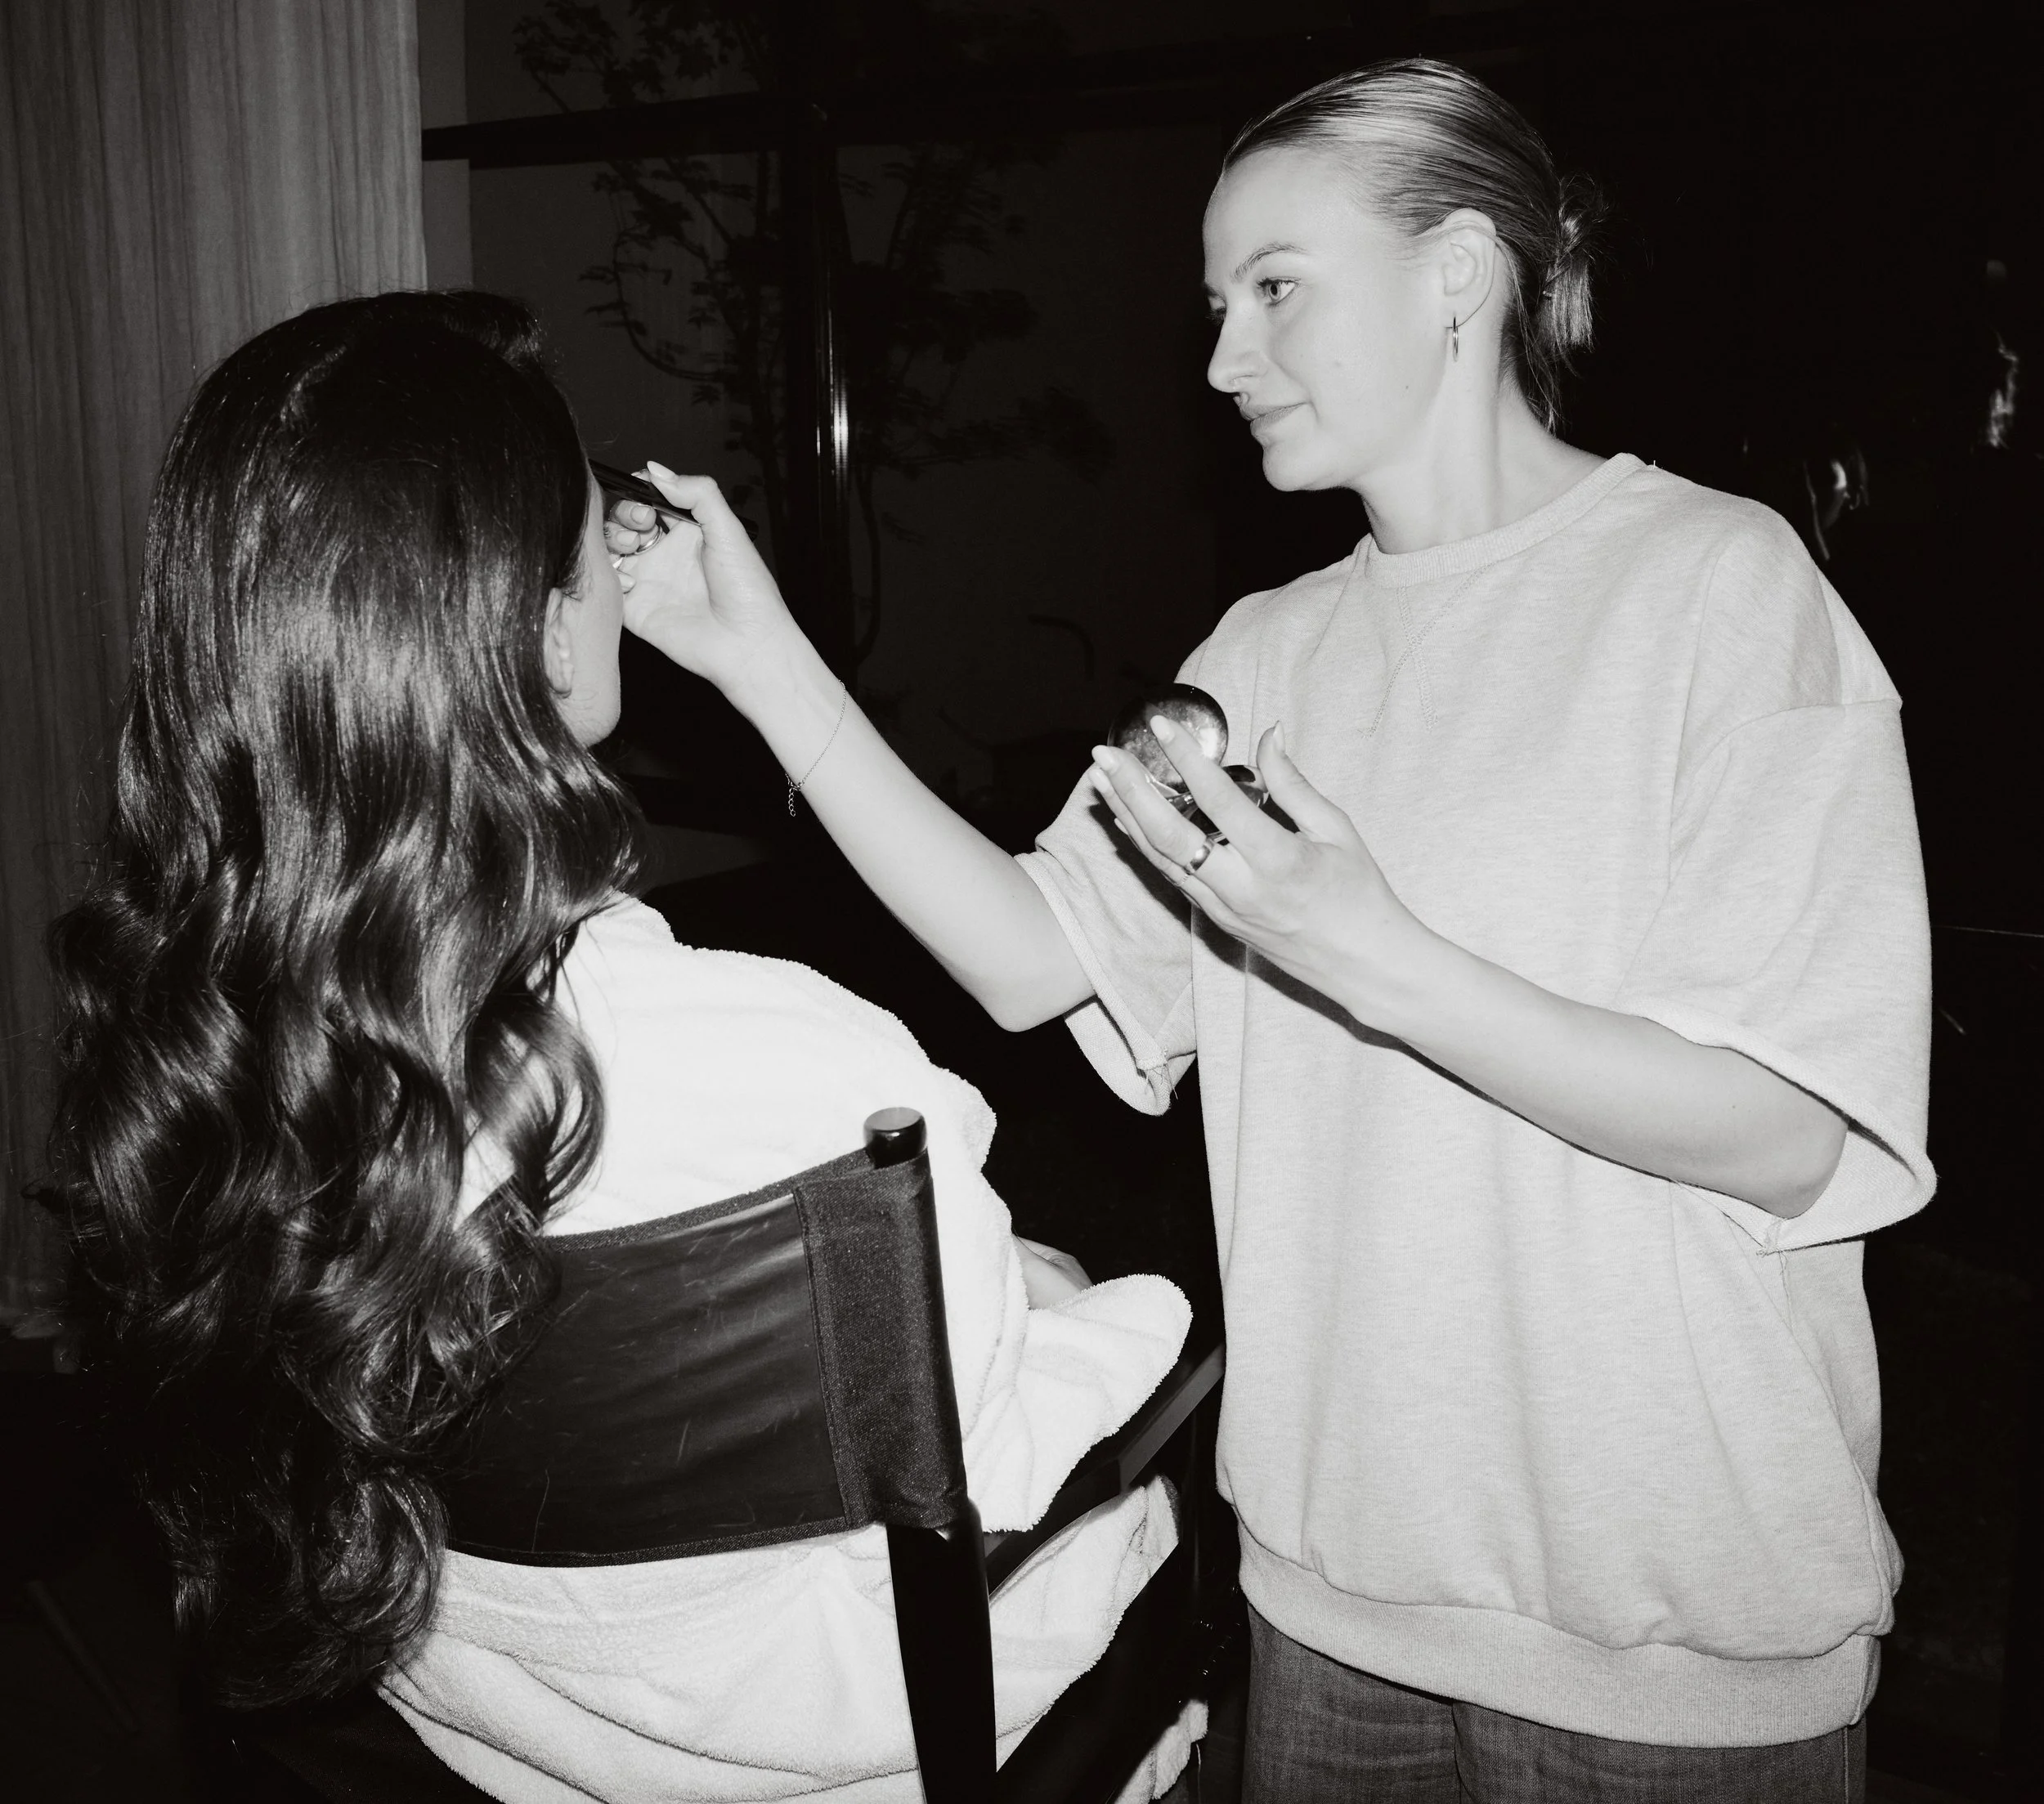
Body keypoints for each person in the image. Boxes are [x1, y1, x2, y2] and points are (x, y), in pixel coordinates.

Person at [606, 57, 1932, 1804]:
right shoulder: (1261, 654)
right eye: (1216, 305)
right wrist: (761, 660)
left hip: (1664, 1635)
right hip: (1325, 1600)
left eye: (1276, 289)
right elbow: (1026, 951)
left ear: (1457, 274)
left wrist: (1375, 955)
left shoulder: (1719, 589)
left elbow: (1783, 1131)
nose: (1224, 356)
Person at [46, 291, 1199, 1802]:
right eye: (594, 528)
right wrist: (1082, 1302)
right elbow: (989, 1457)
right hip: (830, 1750)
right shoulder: (793, 1072)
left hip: (482, 1725)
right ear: (534, 614)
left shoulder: (200, 1053)